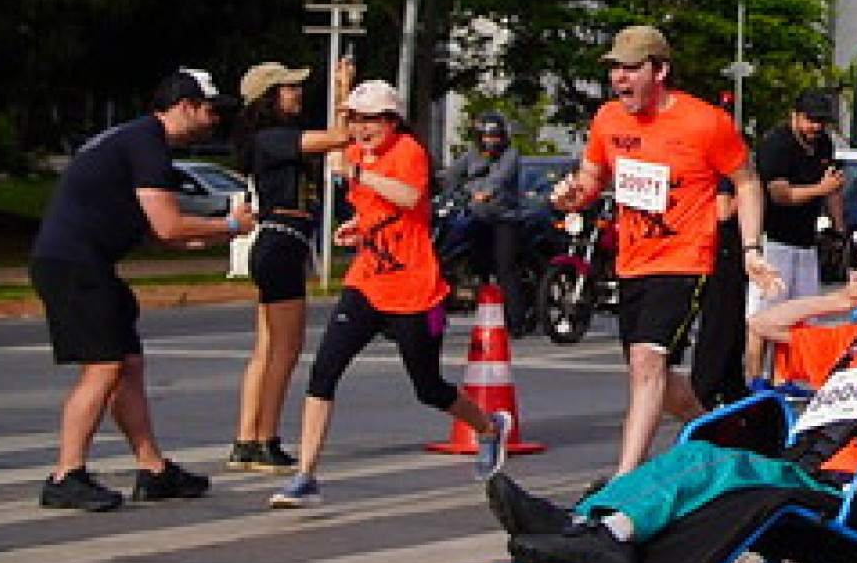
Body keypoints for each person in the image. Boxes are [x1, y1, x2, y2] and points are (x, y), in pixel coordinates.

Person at [489, 239, 857, 563]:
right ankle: (584, 523)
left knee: (719, 465)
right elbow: (763, 324)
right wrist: (841, 301)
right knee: (699, 453)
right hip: (811, 472)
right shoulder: (855, 341)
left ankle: (607, 534)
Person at [549, 25, 779, 483]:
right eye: (615, 69)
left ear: (661, 71)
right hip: (632, 261)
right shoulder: (609, 121)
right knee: (653, 376)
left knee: (647, 364)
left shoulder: (705, 122)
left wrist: (752, 248)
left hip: (686, 259)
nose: (621, 78)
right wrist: (571, 195)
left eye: (632, 69)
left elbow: (747, 182)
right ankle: (718, 436)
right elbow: (592, 180)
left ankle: (624, 479)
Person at [268, 79, 513, 507]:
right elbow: (371, 207)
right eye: (356, 120)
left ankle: (490, 427)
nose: (361, 130)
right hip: (366, 282)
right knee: (324, 371)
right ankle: (305, 475)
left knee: (428, 387)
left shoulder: (408, 152)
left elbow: (409, 195)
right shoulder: (355, 152)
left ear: (392, 120)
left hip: (415, 290)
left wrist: (361, 172)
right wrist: (357, 227)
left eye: (370, 120)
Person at [31, 69, 253, 512]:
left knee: (127, 363)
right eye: (209, 111)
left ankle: (153, 470)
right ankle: (65, 473)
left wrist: (217, 236)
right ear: (185, 106)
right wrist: (231, 225)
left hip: (85, 261)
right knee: (104, 366)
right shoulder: (147, 143)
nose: (214, 121)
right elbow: (169, 224)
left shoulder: (137, 140)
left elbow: (163, 233)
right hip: (74, 264)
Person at [226, 56, 356, 471]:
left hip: (281, 242)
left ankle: (247, 439)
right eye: (288, 87)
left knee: (266, 348)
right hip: (281, 241)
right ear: (267, 97)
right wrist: (345, 89)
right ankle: (265, 439)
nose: (297, 93)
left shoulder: (279, 137)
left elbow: (336, 144)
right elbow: (342, 137)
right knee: (285, 348)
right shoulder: (272, 138)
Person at [754, 90, 846, 302]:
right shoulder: (777, 144)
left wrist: (839, 229)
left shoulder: (823, 143)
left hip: (807, 239)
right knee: (771, 306)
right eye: (811, 120)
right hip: (775, 239)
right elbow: (780, 194)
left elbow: (833, 187)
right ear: (795, 116)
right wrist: (820, 189)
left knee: (806, 308)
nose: (816, 127)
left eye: (821, 121)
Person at [440, 111, 527, 297]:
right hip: (477, 217)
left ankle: (516, 324)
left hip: (504, 218)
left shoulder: (510, 156)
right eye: (487, 136)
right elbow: (451, 175)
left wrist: (485, 193)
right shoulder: (471, 154)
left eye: (496, 136)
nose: (491, 141)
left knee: (505, 269)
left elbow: (499, 179)